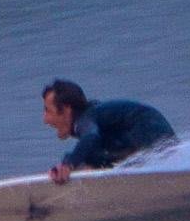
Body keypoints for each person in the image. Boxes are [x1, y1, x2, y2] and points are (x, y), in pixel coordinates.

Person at [41, 78, 175, 182]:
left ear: (66, 110)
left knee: (86, 157)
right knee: (91, 158)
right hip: (153, 136)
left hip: (150, 131)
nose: (45, 119)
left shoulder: (84, 121)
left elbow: (91, 137)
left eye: (48, 111)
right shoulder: (94, 116)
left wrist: (68, 165)